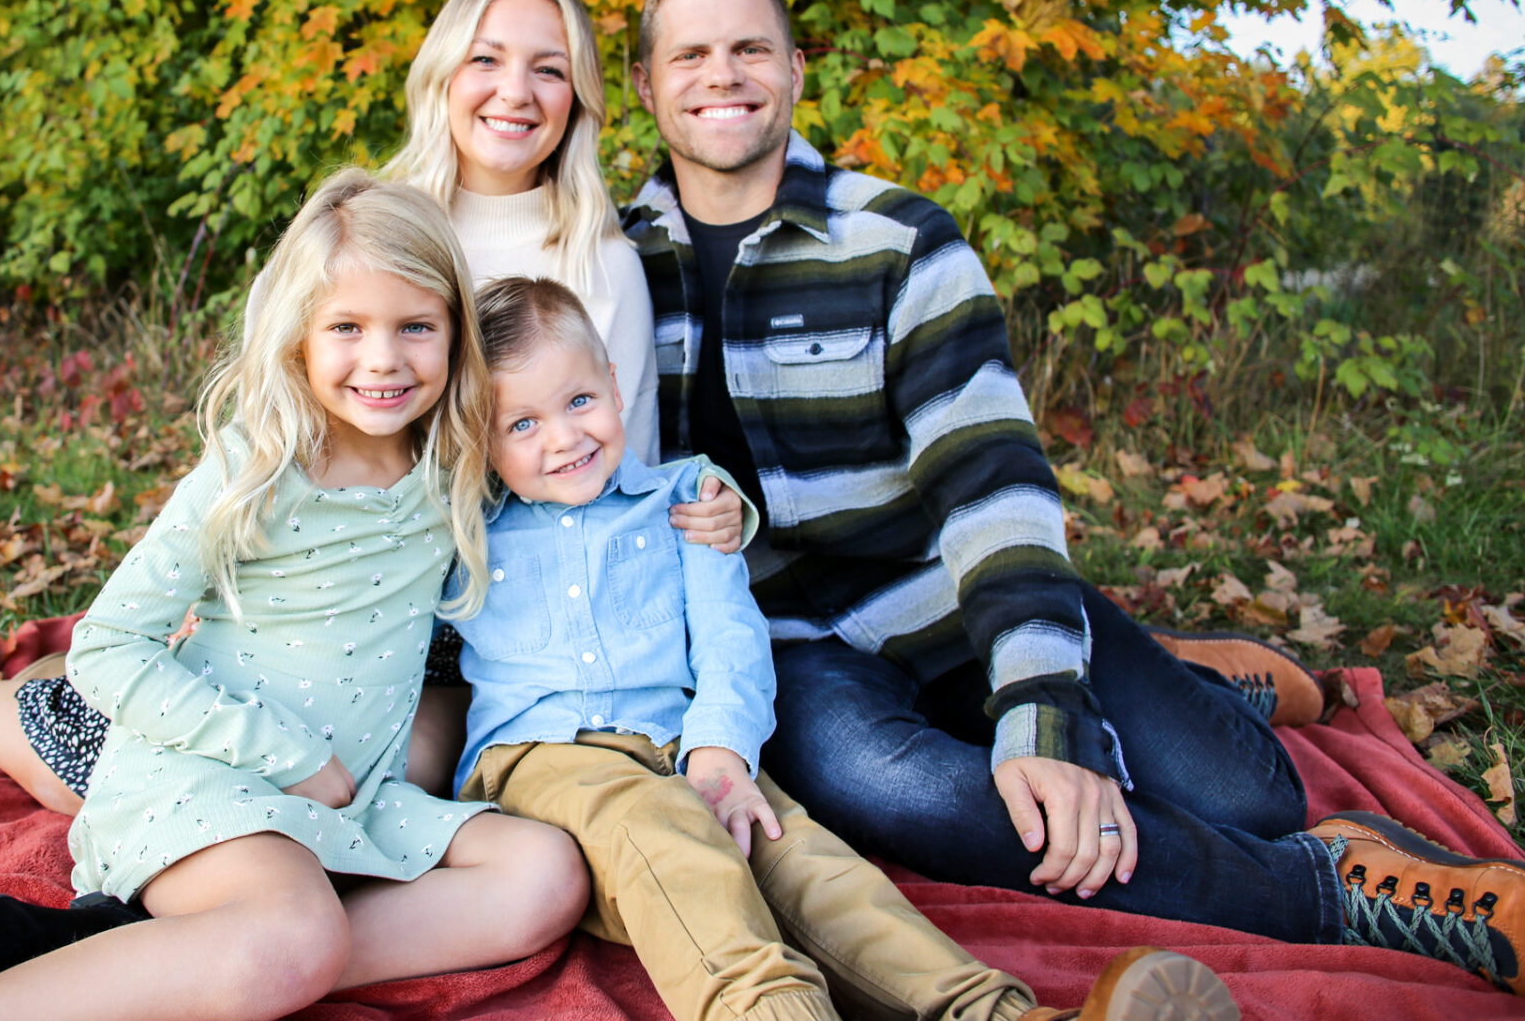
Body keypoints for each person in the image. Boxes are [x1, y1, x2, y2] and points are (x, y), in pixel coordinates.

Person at [620, 0, 1525, 990]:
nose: (720, 74)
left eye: (749, 48)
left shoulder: (898, 239)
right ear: (646, 84)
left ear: (794, 69)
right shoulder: (613, 262)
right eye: (689, 54)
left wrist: (1041, 708)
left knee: (1253, 790)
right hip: (789, 643)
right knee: (890, 792)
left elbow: (989, 481)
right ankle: (1328, 888)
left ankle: (1168, 676)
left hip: (947, 590)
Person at [0, 0, 741, 811]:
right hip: (311, 579)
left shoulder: (598, 255)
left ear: (580, 94)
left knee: (379, 787)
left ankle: (82, 675)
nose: (514, 90)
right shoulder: (377, 218)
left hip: (477, 602)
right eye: (486, 57)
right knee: (90, 769)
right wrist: (234, 563)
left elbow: (625, 469)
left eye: (549, 65)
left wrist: (700, 532)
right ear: (443, 70)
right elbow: (283, 410)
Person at [0, 171, 590, 1021]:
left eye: (415, 327)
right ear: (298, 337)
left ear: (454, 334)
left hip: (355, 793)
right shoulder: (255, 471)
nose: (383, 359)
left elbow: (572, 470)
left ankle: (137, 961)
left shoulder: (452, 462)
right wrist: (286, 755)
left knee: (544, 877)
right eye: (347, 327)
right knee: (290, 932)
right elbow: (106, 647)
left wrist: (700, 507)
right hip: (215, 778)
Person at [446, 275, 1239, 1021]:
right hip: (542, 759)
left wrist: (720, 752)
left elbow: (729, 637)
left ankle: (993, 1011)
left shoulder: (686, 499)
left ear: (617, 388)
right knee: (665, 841)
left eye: (580, 399)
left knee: (816, 869)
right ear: (480, 440)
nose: (564, 436)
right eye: (522, 423)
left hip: (686, 742)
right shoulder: (459, 529)